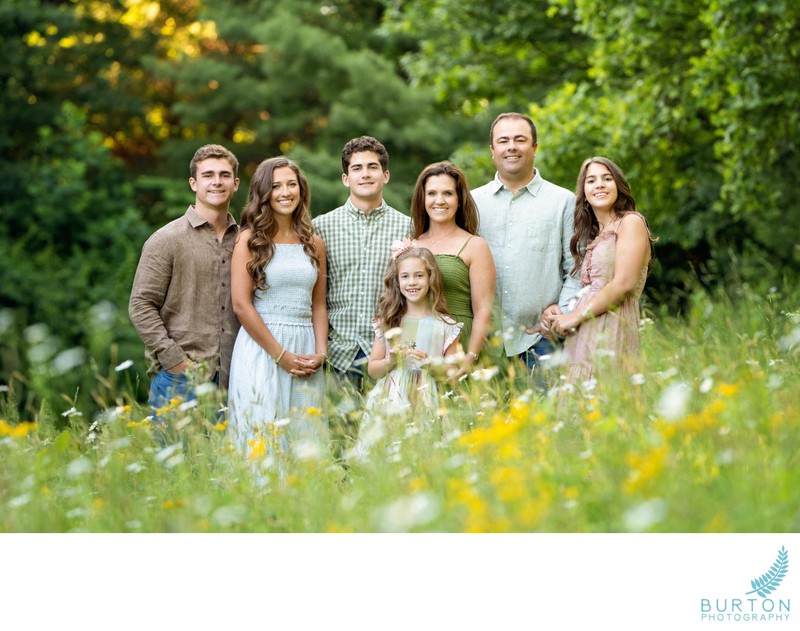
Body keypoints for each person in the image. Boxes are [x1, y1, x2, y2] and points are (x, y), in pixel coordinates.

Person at [129, 143, 240, 440]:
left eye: (224, 175)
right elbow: (140, 305)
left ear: (235, 183)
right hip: (178, 379)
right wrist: (175, 360)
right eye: (208, 175)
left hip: (235, 380)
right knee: (173, 478)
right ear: (194, 183)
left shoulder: (245, 242)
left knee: (222, 479)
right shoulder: (166, 239)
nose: (217, 181)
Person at [312, 136, 409, 456]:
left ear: (386, 175)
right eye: (357, 168)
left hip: (388, 354)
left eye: (373, 167)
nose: (365, 174)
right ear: (345, 178)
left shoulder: (407, 228)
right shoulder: (320, 227)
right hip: (339, 352)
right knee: (340, 443)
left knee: (387, 442)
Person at [471, 112, 582, 386]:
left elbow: (577, 269)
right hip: (484, 344)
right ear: (492, 150)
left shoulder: (564, 202)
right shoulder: (471, 203)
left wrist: (562, 310)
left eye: (520, 140)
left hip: (541, 342)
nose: (511, 147)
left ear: (534, 147)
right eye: (503, 140)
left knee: (546, 426)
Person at [227, 157, 328, 457]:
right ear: (263, 193)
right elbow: (241, 305)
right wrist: (280, 355)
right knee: (262, 441)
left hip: (305, 346)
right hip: (262, 349)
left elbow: (318, 305)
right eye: (276, 186)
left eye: (291, 184)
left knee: (304, 441)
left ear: (301, 190)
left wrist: (320, 352)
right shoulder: (249, 240)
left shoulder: (314, 243)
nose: (285, 192)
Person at [547, 157, 656, 383]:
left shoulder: (630, 223)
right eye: (591, 180)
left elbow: (623, 284)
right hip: (585, 334)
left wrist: (574, 317)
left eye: (607, 179)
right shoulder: (594, 234)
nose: (599, 185)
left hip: (615, 327)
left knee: (610, 402)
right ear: (584, 191)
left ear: (618, 185)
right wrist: (563, 311)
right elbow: (592, 289)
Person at [410, 161, 495, 381]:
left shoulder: (475, 245)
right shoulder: (411, 246)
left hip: (460, 346)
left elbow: (483, 310)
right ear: (422, 199)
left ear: (459, 200)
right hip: (419, 345)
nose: (439, 201)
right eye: (432, 193)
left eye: (447, 193)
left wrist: (470, 358)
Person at [364, 244, 462, 422]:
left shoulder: (446, 325)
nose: (412, 282)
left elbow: (453, 373)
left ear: (431, 278)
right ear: (397, 281)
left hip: (429, 402)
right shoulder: (388, 322)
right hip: (390, 402)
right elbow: (373, 370)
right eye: (405, 276)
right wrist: (391, 361)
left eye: (419, 275)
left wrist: (430, 365)